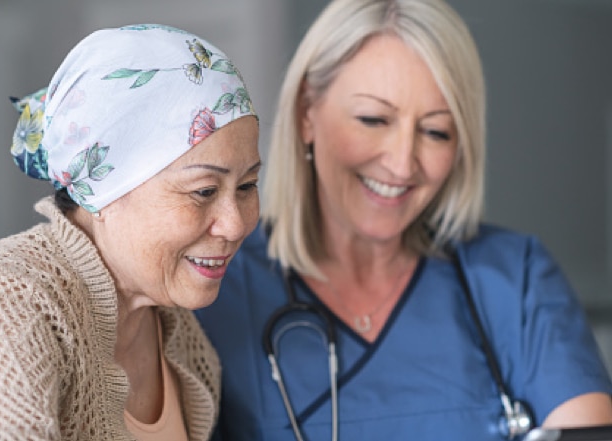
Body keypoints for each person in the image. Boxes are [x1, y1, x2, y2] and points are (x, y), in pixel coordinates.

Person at [194, 0, 612, 440]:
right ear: (305, 114)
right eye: (373, 120)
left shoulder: (515, 279)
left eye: (435, 131)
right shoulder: (216, 288)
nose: (401, 164)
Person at [0, 24, 260, 440]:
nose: (235, 224)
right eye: (204, 191)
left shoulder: (180, 336)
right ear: (102, 189)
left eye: (247, 186)